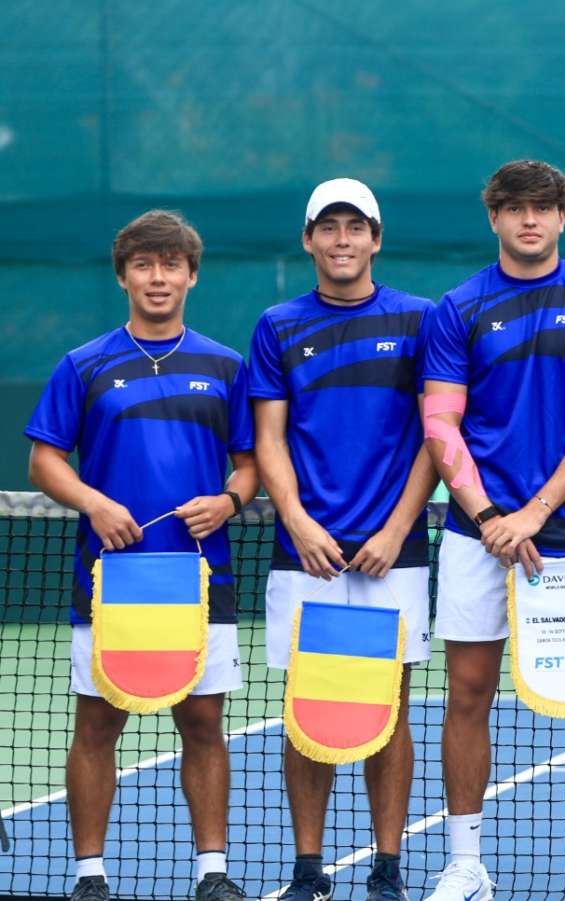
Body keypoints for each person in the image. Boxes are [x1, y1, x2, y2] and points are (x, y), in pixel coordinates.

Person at [421, 160, 565, 901]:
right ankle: (465, 864)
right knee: (468, 691)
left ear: (561, 218)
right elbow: (441, 423)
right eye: (514, 208)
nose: (530, 219)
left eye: (543, 208)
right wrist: (490, 515)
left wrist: (534, 513)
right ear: (493, 218)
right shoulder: (457, 309)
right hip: (475, 535)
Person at [25, 210, 257, 901]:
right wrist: (94, 502)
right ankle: (88, 875)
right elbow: (44, 461)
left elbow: (250, 465)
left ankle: (211, 872)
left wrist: (229, 501)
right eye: (144, 265)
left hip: (200, 575)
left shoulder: (224, 366)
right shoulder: (85, 364)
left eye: (171, 264)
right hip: (109, 577)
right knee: (98, 723)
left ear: (192, 275)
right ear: (123, 275)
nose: (158, 277)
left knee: (204, 722)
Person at [249, 179, 438, 901]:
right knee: (311, 706)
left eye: (354, 227)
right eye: (327, 227)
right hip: (308, 555)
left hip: (395, 552)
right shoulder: (276, 325)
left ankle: (386, 867)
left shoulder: (420, 320)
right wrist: (296, 520)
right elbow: (269, 436)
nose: (341, 240)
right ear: (309, 240)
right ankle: (308, 868)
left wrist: (395, 529)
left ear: (376, 238)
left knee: (389, 706)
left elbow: (435, 435)